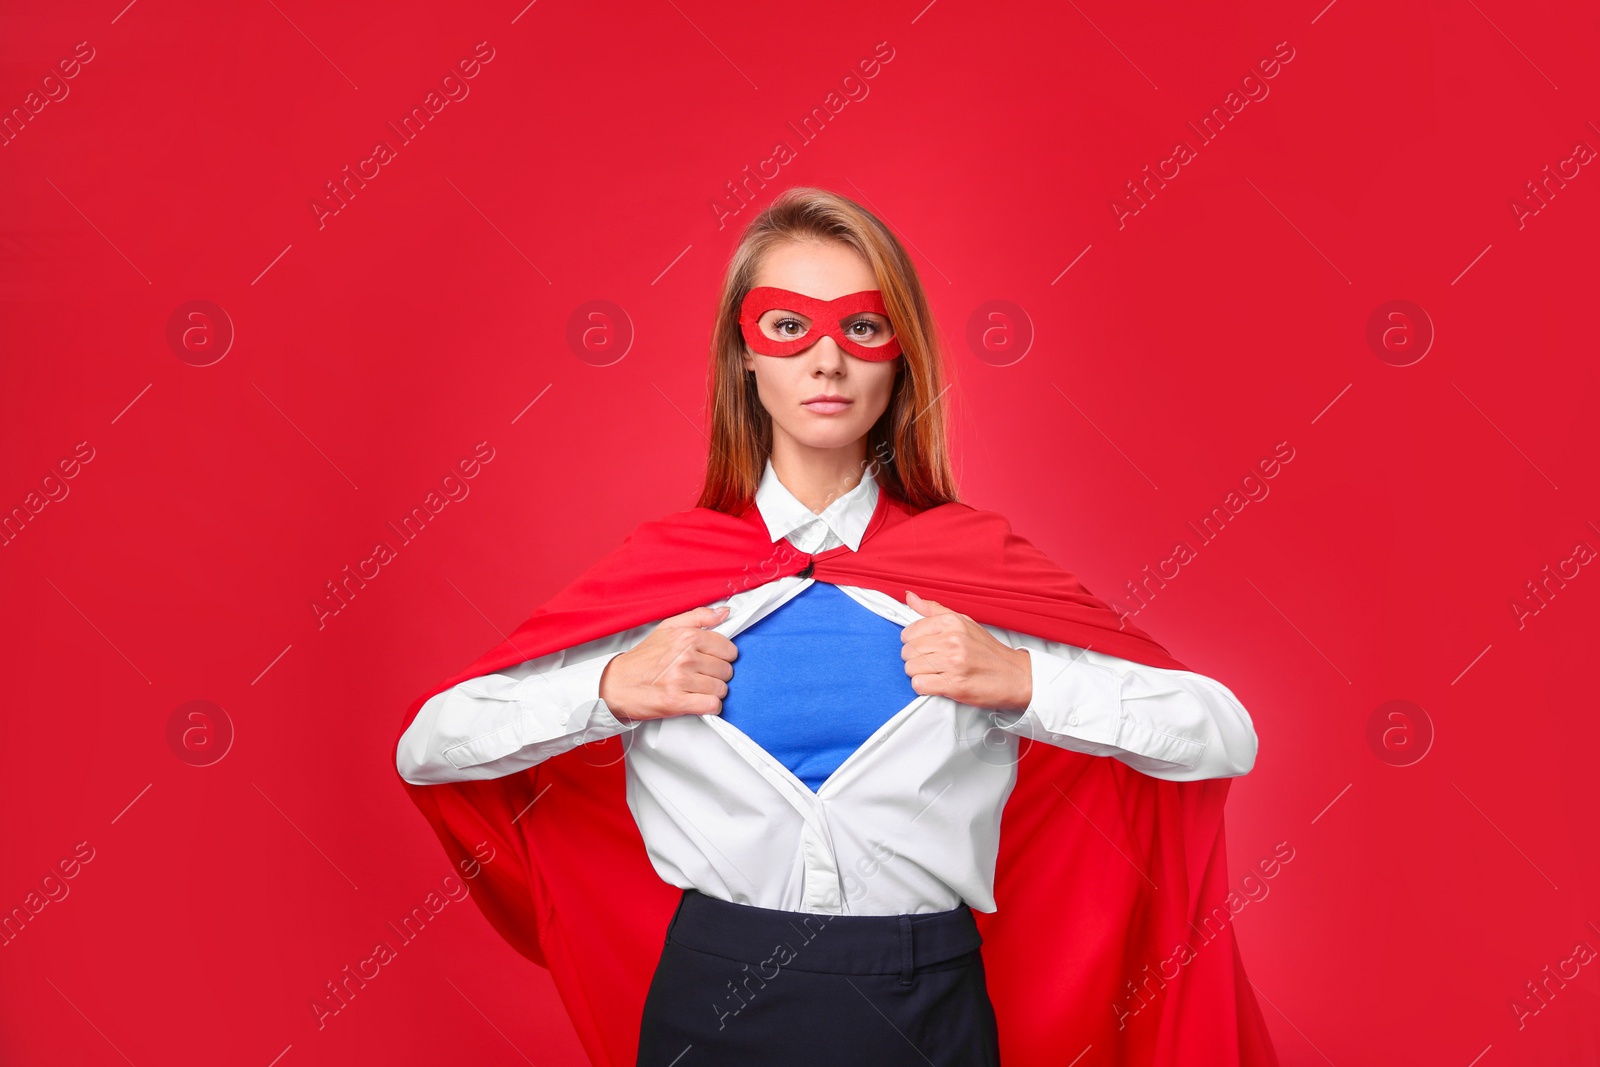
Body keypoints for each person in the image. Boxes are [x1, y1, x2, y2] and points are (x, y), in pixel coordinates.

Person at [394, 187, 1273, 1067]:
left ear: (901, 359)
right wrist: (607, 689)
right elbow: (428, 747)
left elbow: (1222, 734)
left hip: (929, 1007)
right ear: (745, 354)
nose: (827, 362)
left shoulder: (972, 572)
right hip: (711, 1005)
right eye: (789, 327)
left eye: (860, 328)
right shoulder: (667, 577)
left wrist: (1024, 681)